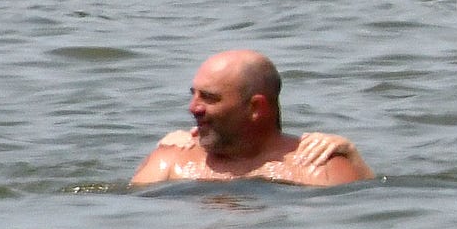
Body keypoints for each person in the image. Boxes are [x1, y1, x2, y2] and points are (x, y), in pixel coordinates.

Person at [130, 50, 369, 187]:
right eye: (194, 96)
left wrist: (356, 162)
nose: (193, 108)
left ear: (256, 107)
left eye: (209, 98)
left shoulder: (318, 169)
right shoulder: (171, 162)